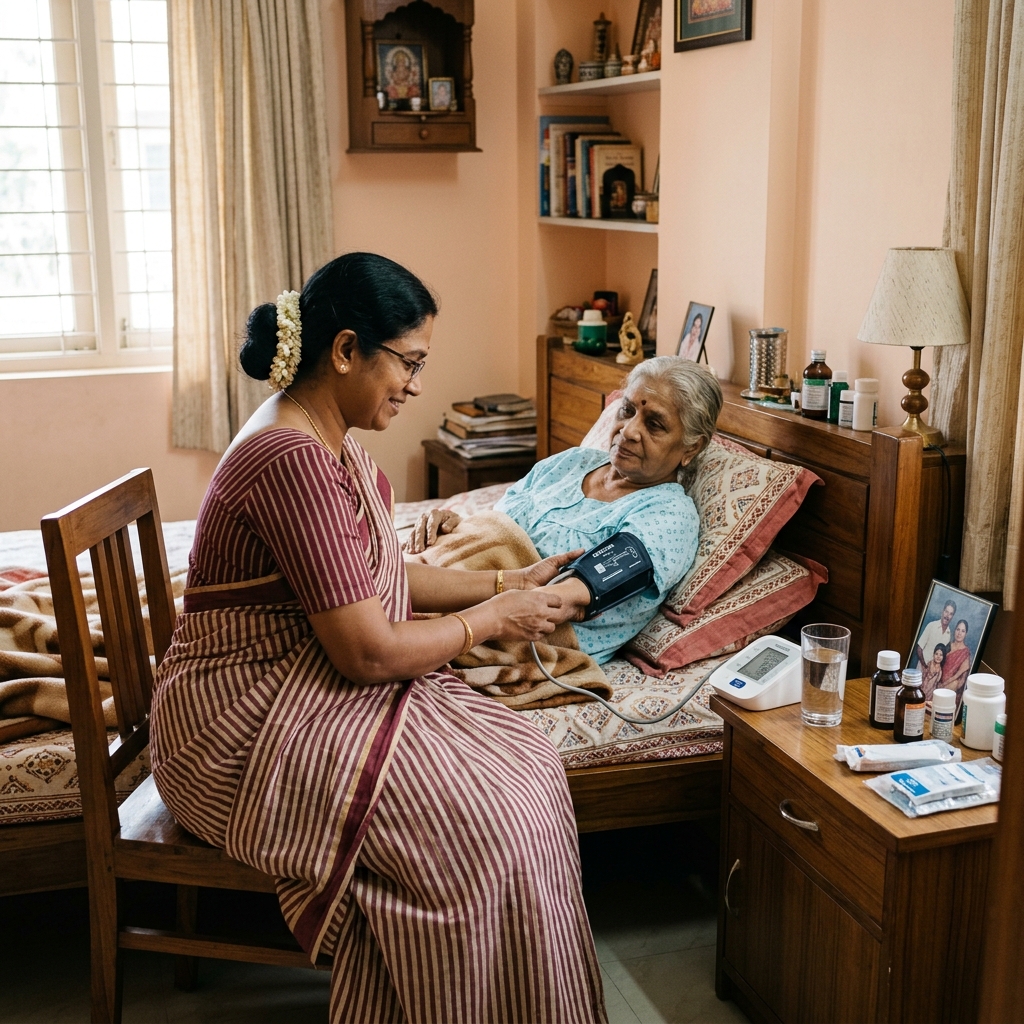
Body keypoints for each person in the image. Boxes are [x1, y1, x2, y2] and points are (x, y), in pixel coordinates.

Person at [149, 253, 605, 1023]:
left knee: (528, 766)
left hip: (288, 684)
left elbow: (378, 574)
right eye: (410, 362)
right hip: (232, 725)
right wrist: (494, 619)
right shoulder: (290, 458)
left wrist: (510, 581)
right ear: (344, 350)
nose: (417, 386)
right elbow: (367, 653)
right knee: (486, 823)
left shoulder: (321, 433)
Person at [409, 359, 722, 665]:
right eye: (627, 410)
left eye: (654, 424)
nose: (628, 430)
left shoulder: (668, 516)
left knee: (386, 621)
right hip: (453, 588)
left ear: (691, 448)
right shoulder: (572, 462)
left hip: (509, 631)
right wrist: (459, 527)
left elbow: (566, 597)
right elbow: (497, 528)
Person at [915, 598, 956, 669]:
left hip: (934, 673)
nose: (947, 616)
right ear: (942, 611)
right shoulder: (931, 626)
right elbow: (919, 648)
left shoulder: (949, 635)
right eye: (946, 611)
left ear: (952, 616)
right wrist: (924, 666)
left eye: (950, 614)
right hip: (921, 668)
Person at [940, 618, 972, 703]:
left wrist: (944, 685)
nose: (959, 633)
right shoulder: (948, 646)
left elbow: (960, 679)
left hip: (951, 687)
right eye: (958, 629)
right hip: (939, 681)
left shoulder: (965, 653)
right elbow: (938, 664)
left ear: (966, 634)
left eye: (963, 631)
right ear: (954, 630)